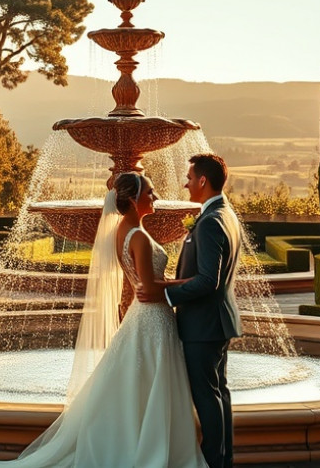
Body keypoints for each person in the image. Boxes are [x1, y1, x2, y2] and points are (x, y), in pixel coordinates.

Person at [0, 172, 206, 468]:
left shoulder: (122, 233)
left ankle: (140, 444)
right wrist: (193, 283)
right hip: (152, 318)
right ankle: (154, 450)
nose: (155, 196)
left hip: (145, 319)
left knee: (138, 386)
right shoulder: (137, 235)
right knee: (153, 385)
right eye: (149, 192)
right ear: (134, 199)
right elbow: (149, 289)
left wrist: (172, 282)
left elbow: (145, 281)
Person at [138, 153, 243, 468]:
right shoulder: (225, 214)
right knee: (219, 393)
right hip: (217, 322)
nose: (185, 183)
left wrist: (166, 293)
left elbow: (208, 281)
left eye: (189, 177)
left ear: (202, 181)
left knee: (207, 397)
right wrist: (172, 282)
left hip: (203, 324)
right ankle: (224, 459)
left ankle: (213, 462)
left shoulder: (210, 222)